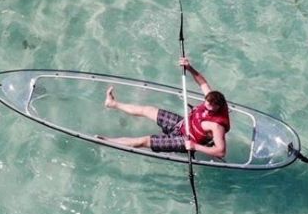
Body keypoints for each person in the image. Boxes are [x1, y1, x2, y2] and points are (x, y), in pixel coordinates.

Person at [97, 56, 230, 159]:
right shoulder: (211, 97)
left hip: (185, 140)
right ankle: (112, 103)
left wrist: (195, 146)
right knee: (147, 110)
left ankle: (107, 141)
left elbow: (221, 151)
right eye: (205, 104)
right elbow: (203, 83)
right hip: (182, 124)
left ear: (218, 107)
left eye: (209, 108)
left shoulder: (217, 127)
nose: (205, 108)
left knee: (143, 141)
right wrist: (189, 68)